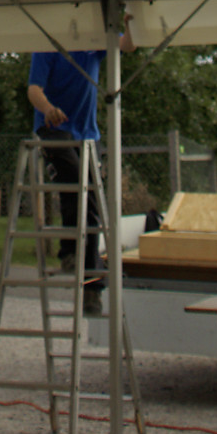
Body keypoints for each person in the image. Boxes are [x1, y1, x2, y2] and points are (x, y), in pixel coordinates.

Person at [27, 36, 128, 315]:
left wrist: (130, 22)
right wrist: (48, 109)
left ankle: (91, 289)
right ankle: (70, 252)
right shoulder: (47, 45)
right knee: (75, 185)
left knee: (90, 201)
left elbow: (127, 45)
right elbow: (33, 89)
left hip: (87, 135)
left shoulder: (94, 43)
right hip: (54, 129)